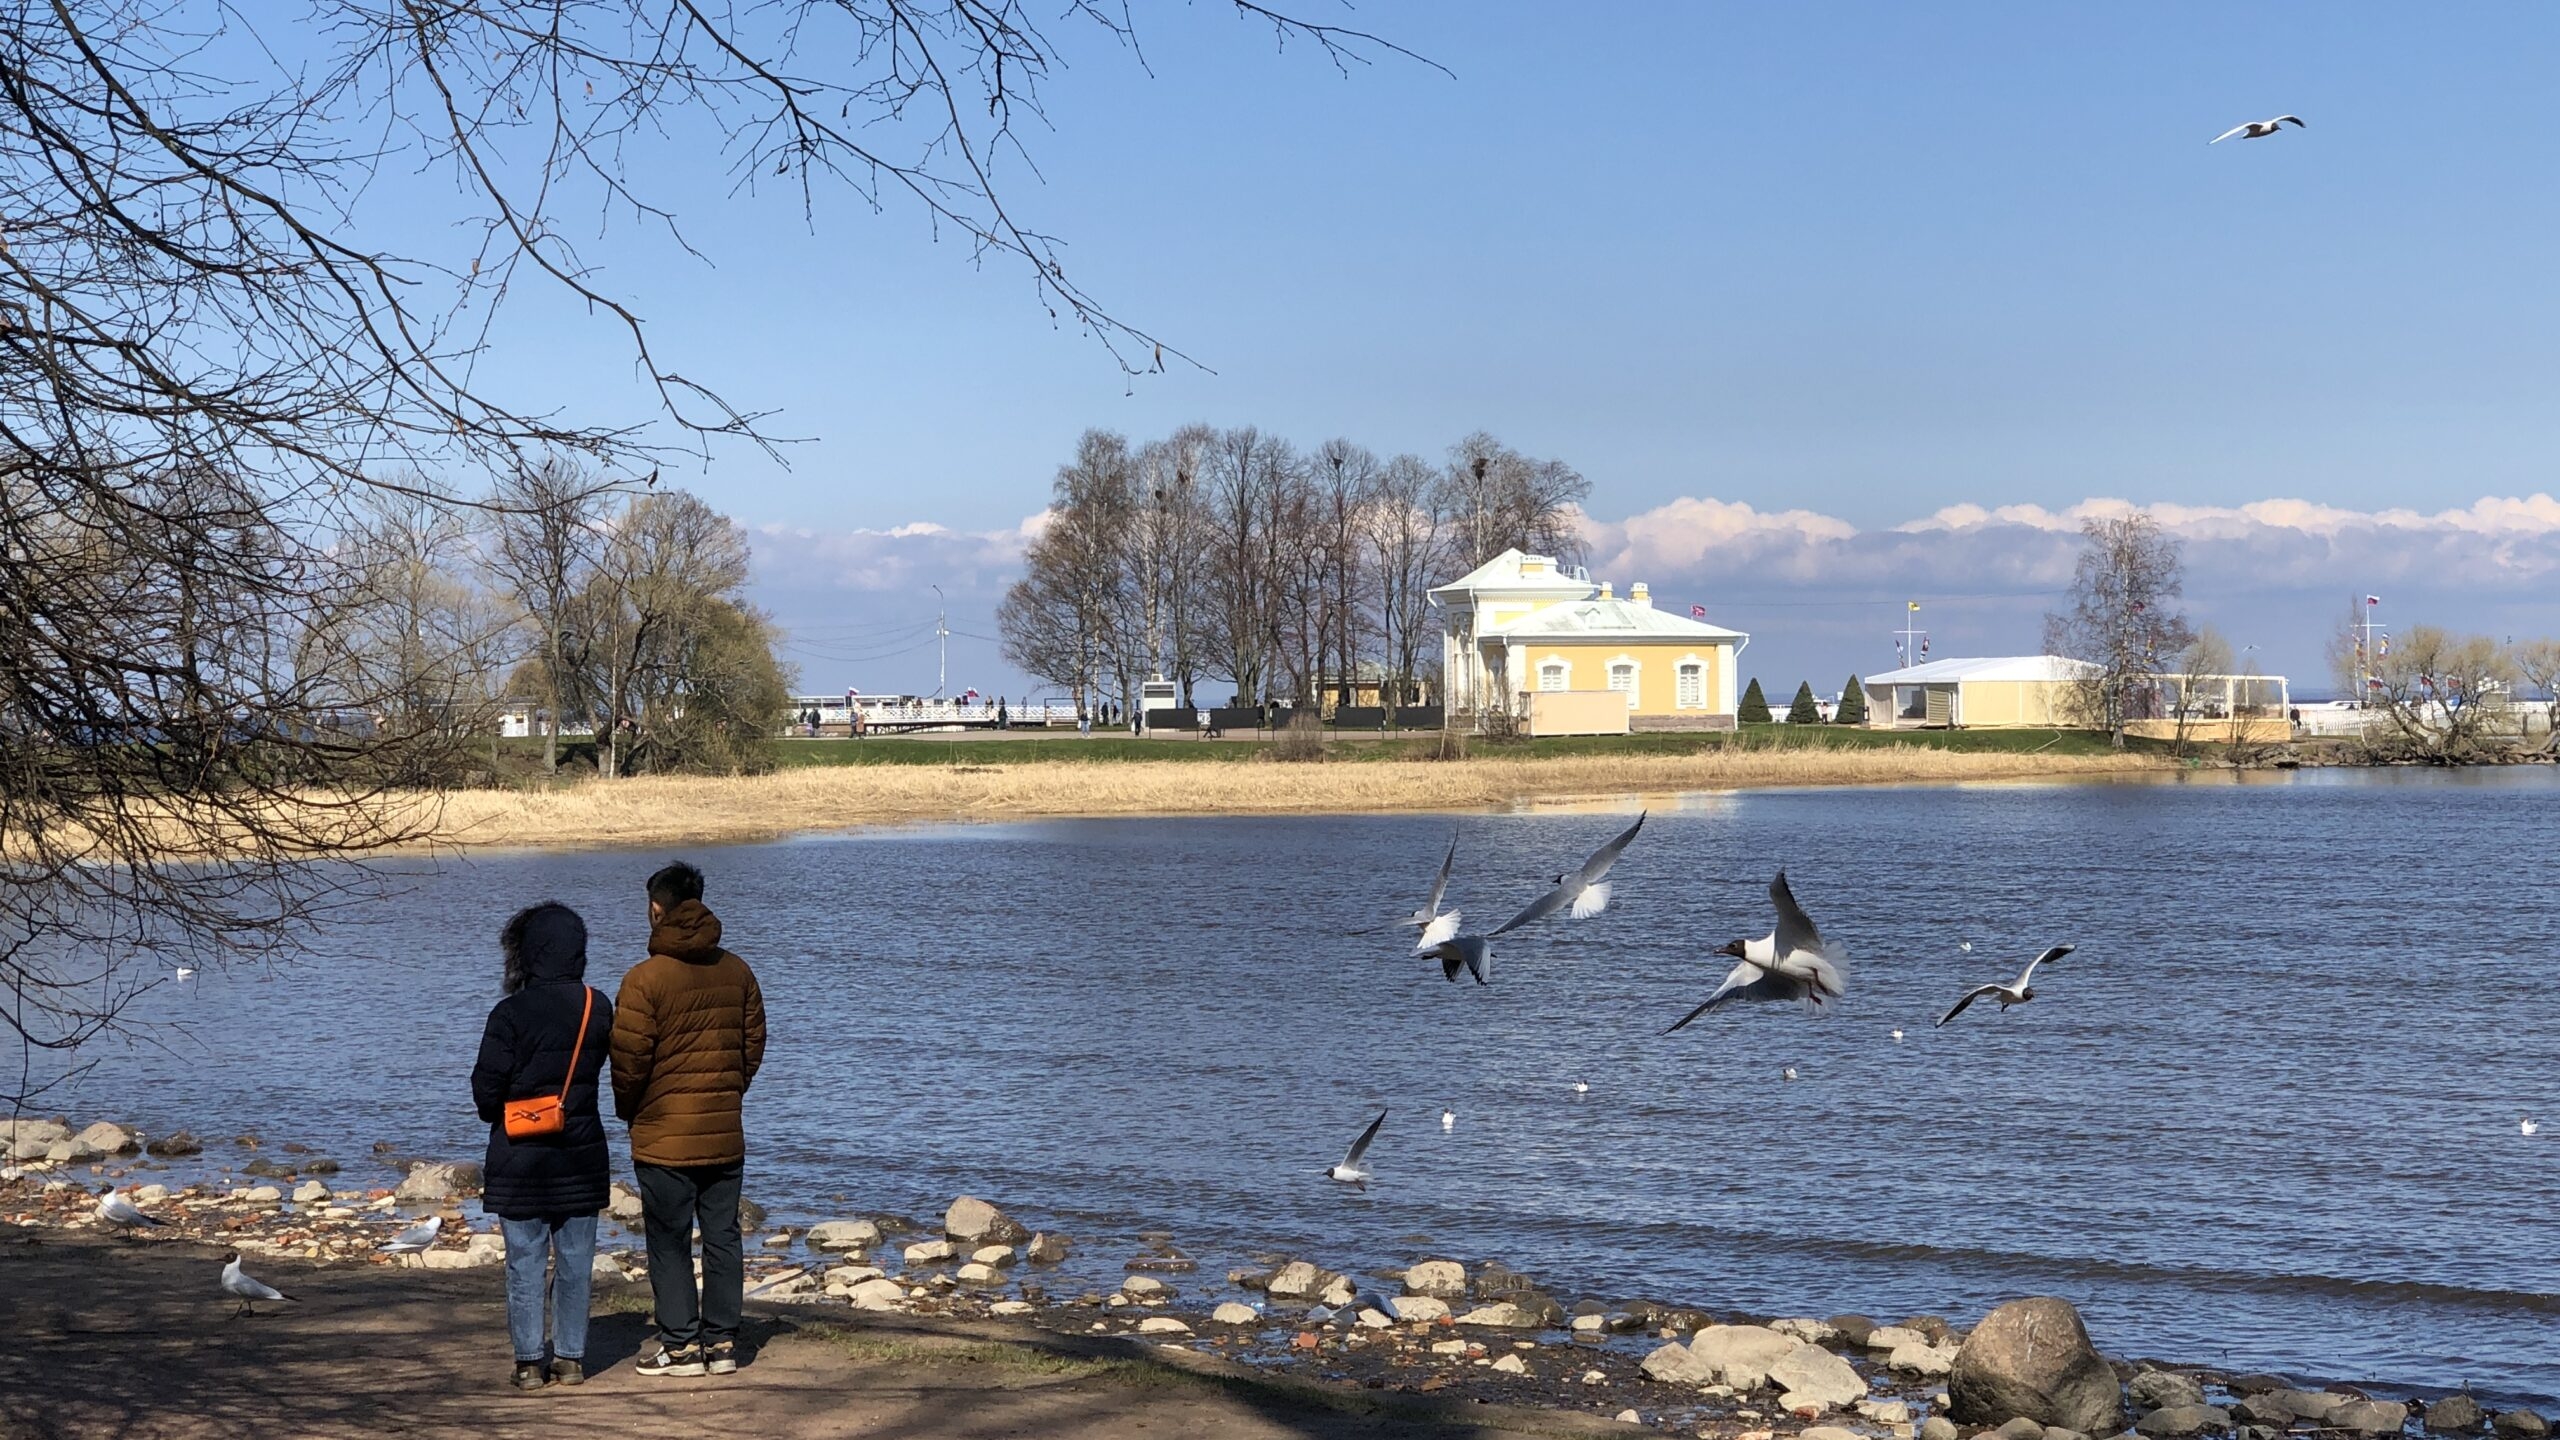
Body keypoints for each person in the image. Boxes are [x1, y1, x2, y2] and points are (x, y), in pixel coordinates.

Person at [611, 861, 767, 1379]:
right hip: (723, 1128)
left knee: (669, 1237)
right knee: (722, 1234)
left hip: (662, 1133)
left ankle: (680, 1345)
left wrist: (630, 1110)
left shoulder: (643, 978)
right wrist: (730, 1090)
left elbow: (628, 1060)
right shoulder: (738, 970)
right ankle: (722, 1343)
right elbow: (753, 1046)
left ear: (657, 908)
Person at [470, 902, 614, 1393]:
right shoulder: (599, 1005)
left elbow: (486, 1095)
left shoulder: (508, 1012)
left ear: (527, 953)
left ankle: (530, 1362)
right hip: (581, 1153)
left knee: (524, 1263)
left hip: (519, 1157)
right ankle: (571, 1359)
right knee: (576, 1263)